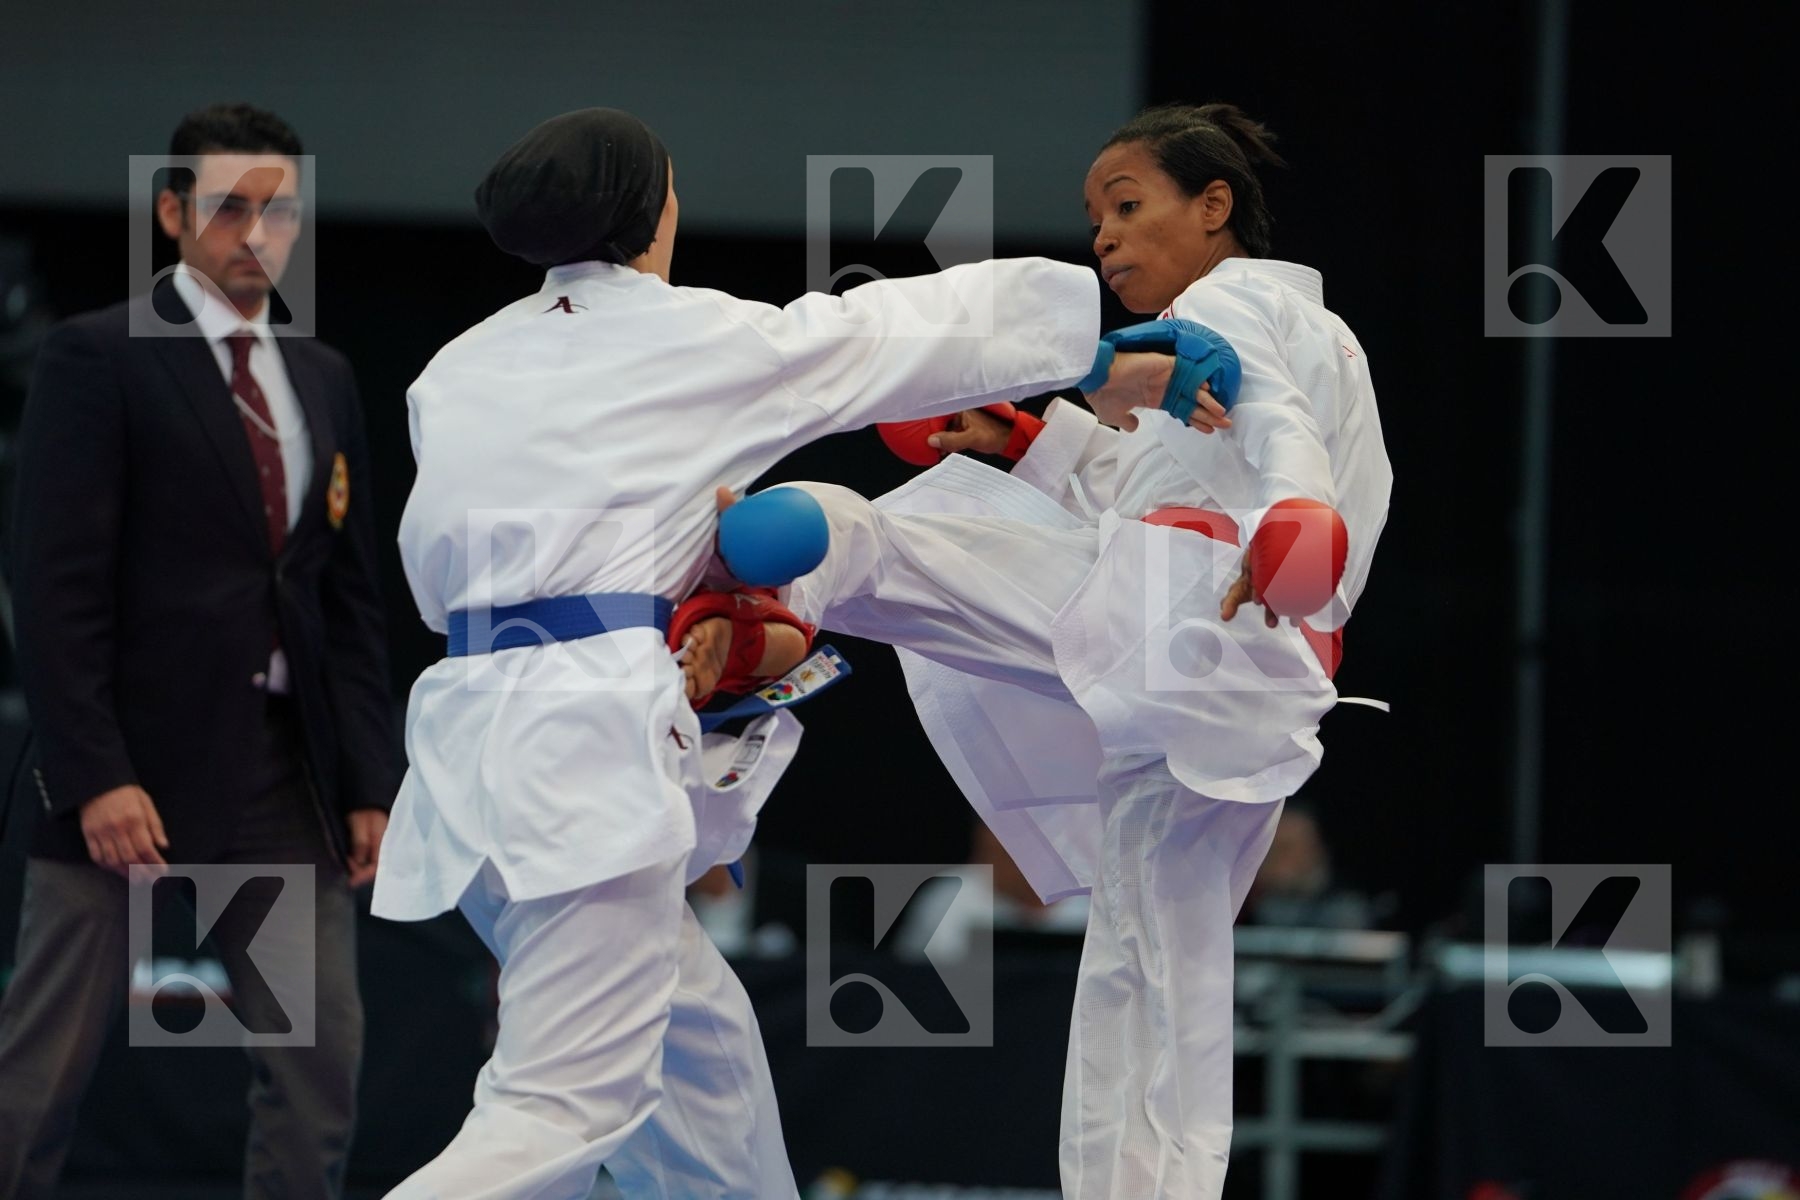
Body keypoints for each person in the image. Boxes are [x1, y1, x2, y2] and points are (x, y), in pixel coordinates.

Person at [370, 108, 1201, 1200]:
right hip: (576, 743)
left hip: (470, 734)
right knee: (558, 1107)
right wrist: (1092, 337)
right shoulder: (686, 338)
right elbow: (873, 336)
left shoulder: (458, 366)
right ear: (652, 213)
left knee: (705, 1077)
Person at [779, 101, 1392, 1199]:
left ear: (1214, 209)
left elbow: (1277, 428)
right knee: (1152, 969)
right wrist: (1038, 440)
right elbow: (1145, 488)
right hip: (1227, 668)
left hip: (1197, 625)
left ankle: (817, 549)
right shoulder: (1208, 359)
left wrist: (1300, 519)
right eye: (1093, 217)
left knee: (902, 537)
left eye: (1127, 205)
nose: (1102, 237)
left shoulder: (1236, 300)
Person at [0, 103, 399, 1199]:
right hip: (127, 772)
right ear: (174, 213)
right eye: (232, 207)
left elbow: (346, 601)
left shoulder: (318, 375)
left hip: (281, 771)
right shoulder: (101, 353)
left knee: (320, 1069)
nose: (257, 233)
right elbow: (52, 587)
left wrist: (369, 779)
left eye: (279, 212)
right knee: (41, 1077)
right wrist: (98, 772)